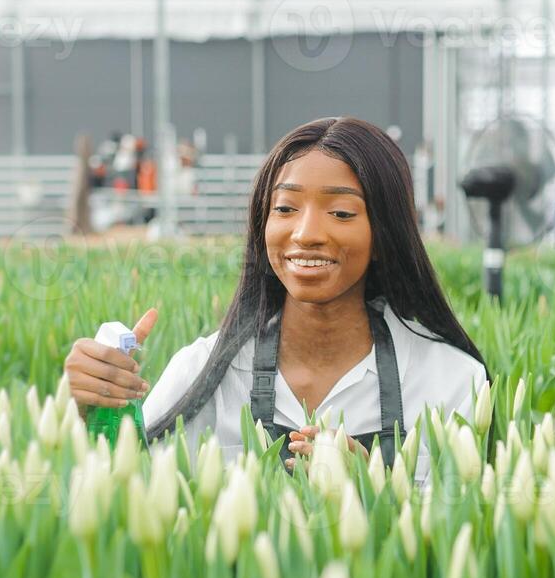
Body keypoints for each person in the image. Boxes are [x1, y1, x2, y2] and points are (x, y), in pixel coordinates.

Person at [62, 116, 489, 481]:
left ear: (385, 233)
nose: (305, 234)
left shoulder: (450, 381)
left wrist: (373, 491)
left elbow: (467, 540)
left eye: (341, 213)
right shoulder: (204, 374)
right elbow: (129, 497)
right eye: (285, 209)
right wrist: (93, 411)